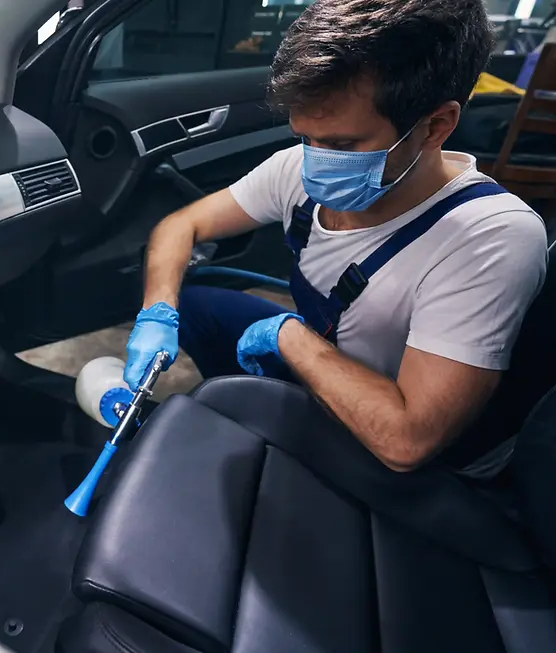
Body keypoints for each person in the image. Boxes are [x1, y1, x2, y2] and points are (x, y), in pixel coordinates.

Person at [123, 0, 549, 472]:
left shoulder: (490, 237)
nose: (318, 161)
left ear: (436, 125)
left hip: (393, 443)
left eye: (344, 145)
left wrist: (292, 339)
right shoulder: (297, 170)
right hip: (326, 368)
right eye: (306, 138)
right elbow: (182, 225)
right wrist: (157, 312)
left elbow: (408, 442)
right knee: (196, 307)